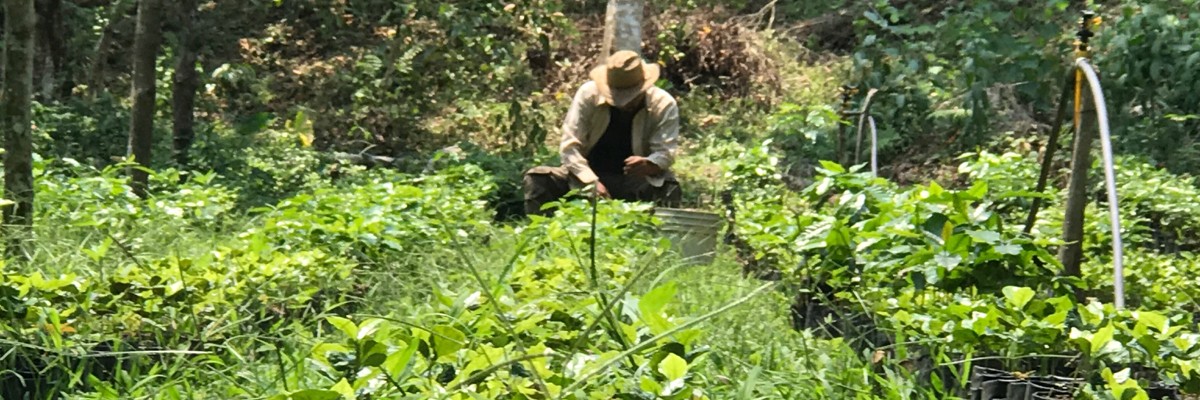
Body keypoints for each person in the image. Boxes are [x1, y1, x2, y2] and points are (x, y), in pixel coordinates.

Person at [523, 50, 683, 216]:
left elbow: (666, 152)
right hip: (582, 177)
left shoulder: (663, 104)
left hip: (633, 182)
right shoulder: (588, 94)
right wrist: (591, 182)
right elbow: (569, 148)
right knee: (539, 178)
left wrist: (650, 164)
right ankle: (543, 233)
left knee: (669, 187)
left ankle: (652, 235)